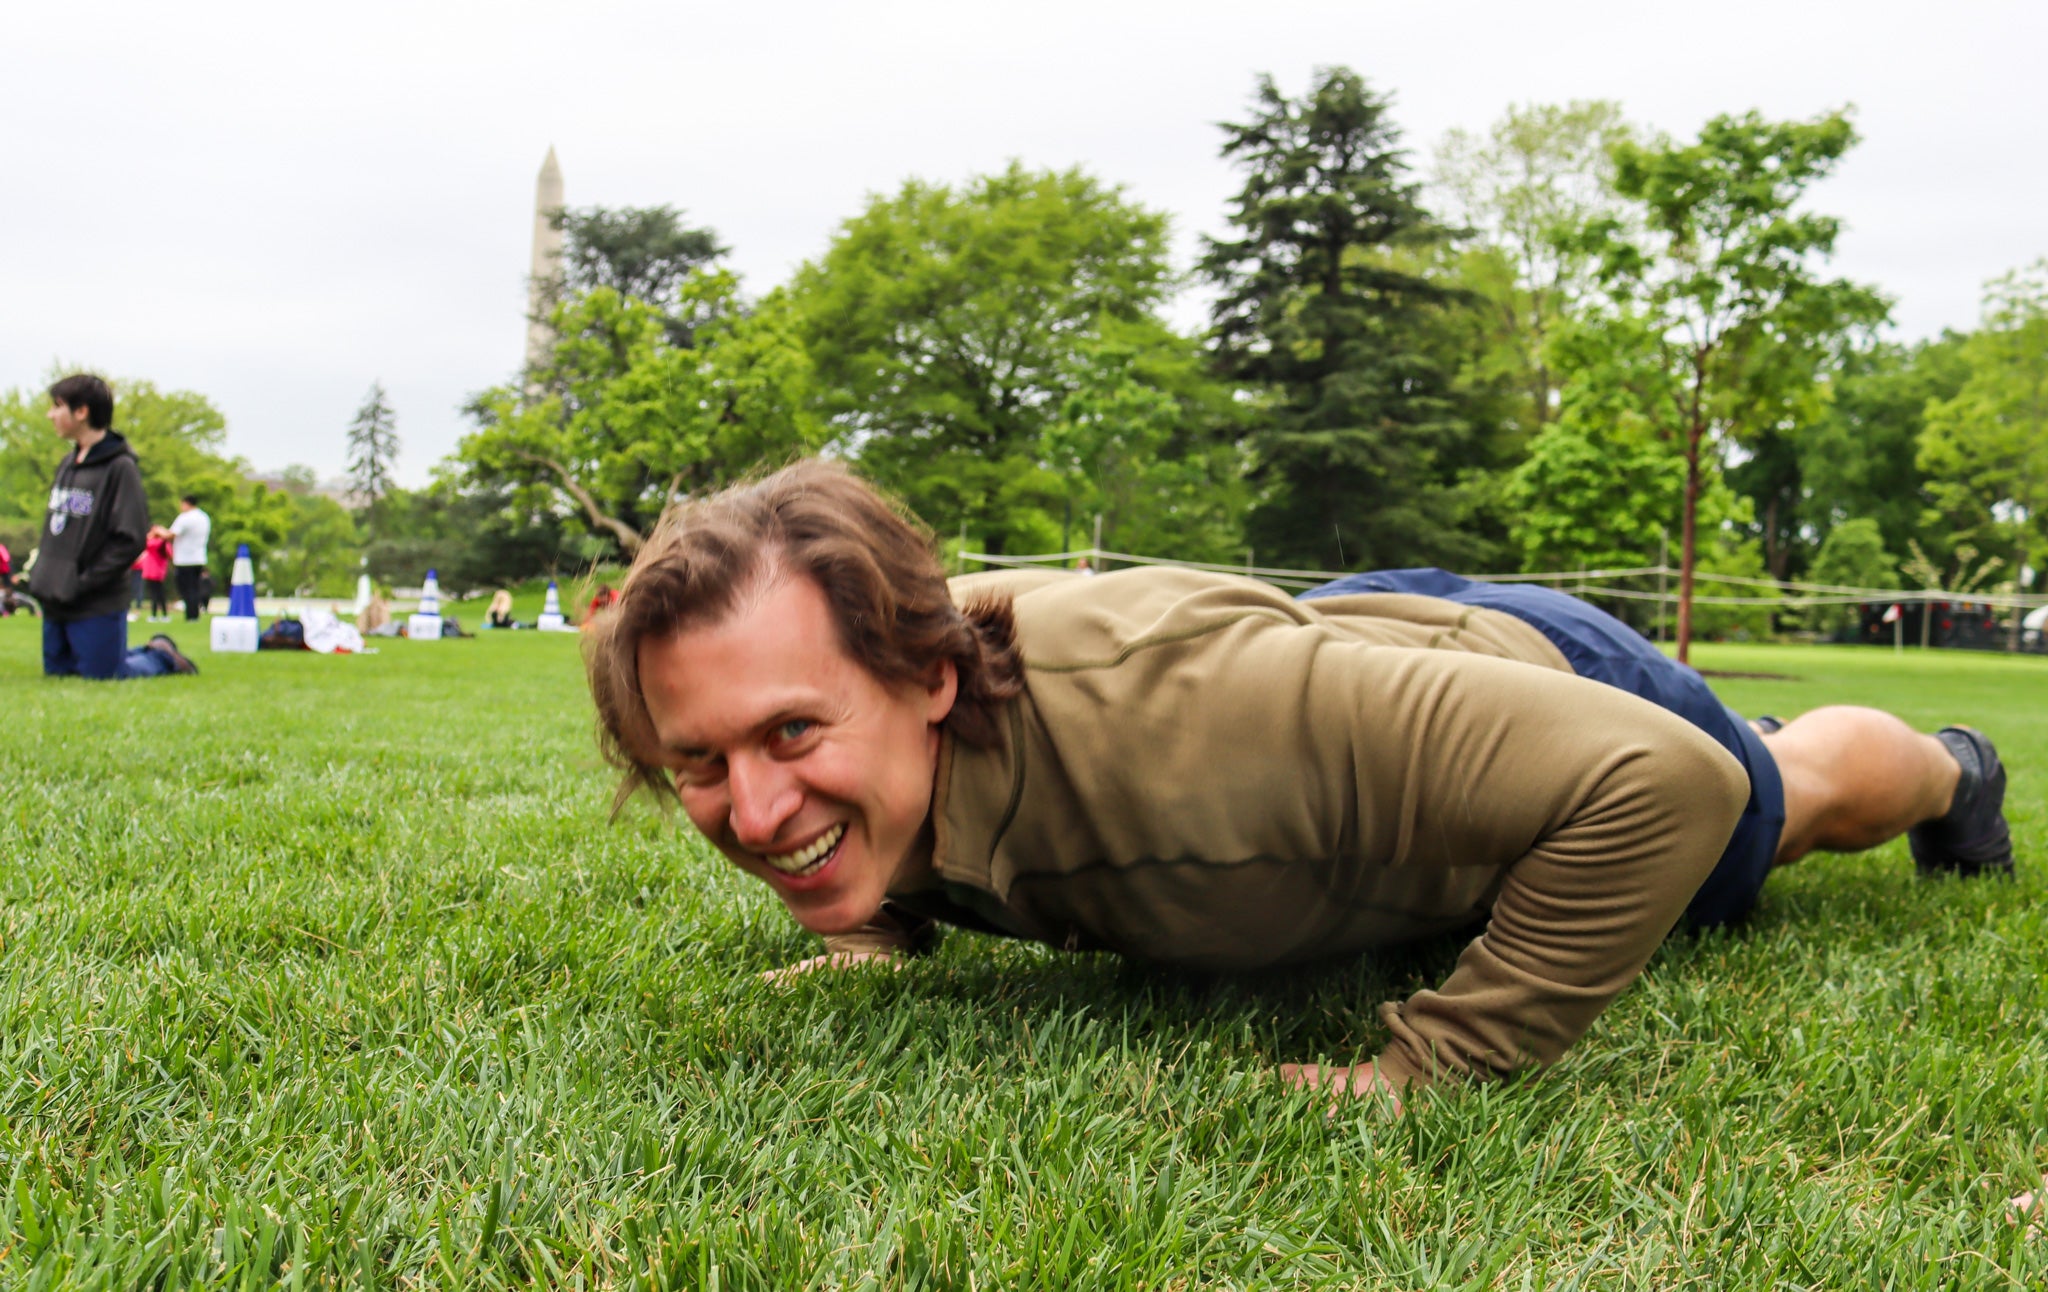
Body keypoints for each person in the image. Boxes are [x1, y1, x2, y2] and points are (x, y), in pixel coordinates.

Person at [584, 461, 2013, 1103]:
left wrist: (1431, 1065)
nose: (752, 816)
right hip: (1346, 649)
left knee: (1775, 791)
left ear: (932, 679)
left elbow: (1659, 783)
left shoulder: (1195, 723)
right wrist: (878, 924)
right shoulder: (887, 713)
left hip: (1561, 680)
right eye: (698, 764)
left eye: (789, 737)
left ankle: (1953, 772)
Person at [28, 375, 197, 678]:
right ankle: (133, 651)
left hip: (96, 599)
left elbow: (130, 540)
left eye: (57, 406)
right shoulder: (68, 464)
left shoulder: (120, 468)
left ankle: (162, 657)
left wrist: (84, 581)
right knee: (61, 673)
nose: (50, 414)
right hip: (58, 600)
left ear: (82, 412)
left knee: (105, 675)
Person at [168, 494, 212, 621]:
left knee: (186, 589)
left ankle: (190, 614)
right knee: (194, 587)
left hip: (184, 559)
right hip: (198, 558)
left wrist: (158, 531)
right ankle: (194, 614)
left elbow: (171, 535)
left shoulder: (185, 518)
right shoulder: (204, 517)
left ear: (186, 503)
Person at [138, 525, 173, 621]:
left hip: (151, 572)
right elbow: (170, 554)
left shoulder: (152, 543)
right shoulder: (165, 544)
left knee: (154, 594)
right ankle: (164, 615)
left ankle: (154, 615)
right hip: (160, 572)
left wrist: (152, 534)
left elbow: (143, 542)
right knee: (160, 594)